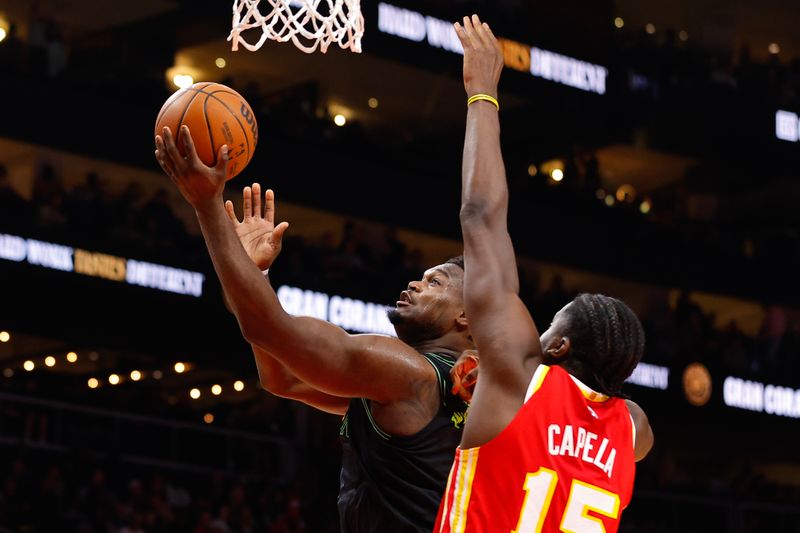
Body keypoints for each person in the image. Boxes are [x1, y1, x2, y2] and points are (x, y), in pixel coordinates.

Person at [154, 133, 478, 533]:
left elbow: (268, 327)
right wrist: (253, 273)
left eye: (435, 283)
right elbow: (284, 377)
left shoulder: (408, 373)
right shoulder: (443, 389)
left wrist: (206, 205)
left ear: (466, 317)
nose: (414, 284)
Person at [435, 15, 654, 533]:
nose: (535, 332)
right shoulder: (634, 429)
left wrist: (482, 93)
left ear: (556, 348)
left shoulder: (519, 378)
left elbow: (481, 217)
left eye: (549, 325)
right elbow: (621, 412)